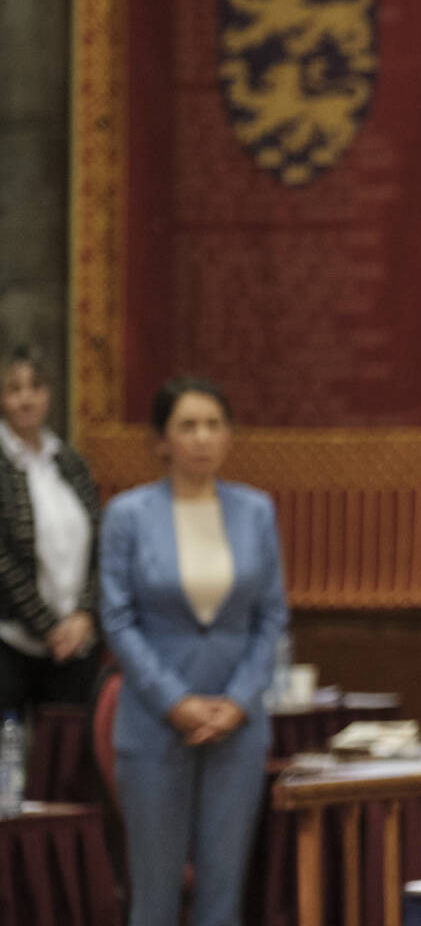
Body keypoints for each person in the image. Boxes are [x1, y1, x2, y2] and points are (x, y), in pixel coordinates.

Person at [99, 376, 288, 926]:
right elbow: (118, 618)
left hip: (237, 725)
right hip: (155, 722)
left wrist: (239, 701)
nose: (202, 437)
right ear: (162, 440)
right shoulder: (128, 514)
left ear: (229, 435)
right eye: (187, 426)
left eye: (213, 425)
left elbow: (272, 616)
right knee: (155, 897)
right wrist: (175, 702)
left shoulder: (255, 510)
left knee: (222, 896)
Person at [0, 344, 103, 714]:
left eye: (36, 387)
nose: (26, 399)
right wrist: (47, 626)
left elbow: (100, 543)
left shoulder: (69, 461)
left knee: (65, 748)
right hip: (12, 643)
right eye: (14, 389)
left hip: (77, 641)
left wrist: (85, 614)